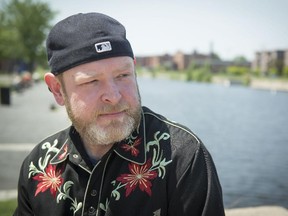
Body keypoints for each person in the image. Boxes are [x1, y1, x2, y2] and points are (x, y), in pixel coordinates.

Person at [14, 12, 225, 216]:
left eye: (123, 75)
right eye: (91, 81)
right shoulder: (38, 165)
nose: (114, 97)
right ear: (58, 90)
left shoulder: (182, 156)